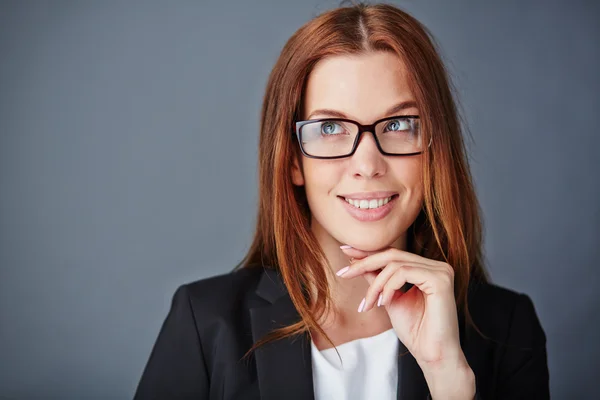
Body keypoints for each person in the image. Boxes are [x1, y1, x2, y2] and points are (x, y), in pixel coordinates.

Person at [134, 3, 549, 399]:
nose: (367, 164)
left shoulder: (508, 329)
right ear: (293, 160)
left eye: (399, 124)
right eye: (330, 128)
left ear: (435, 153)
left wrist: (447, 378)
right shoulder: (205, 322)